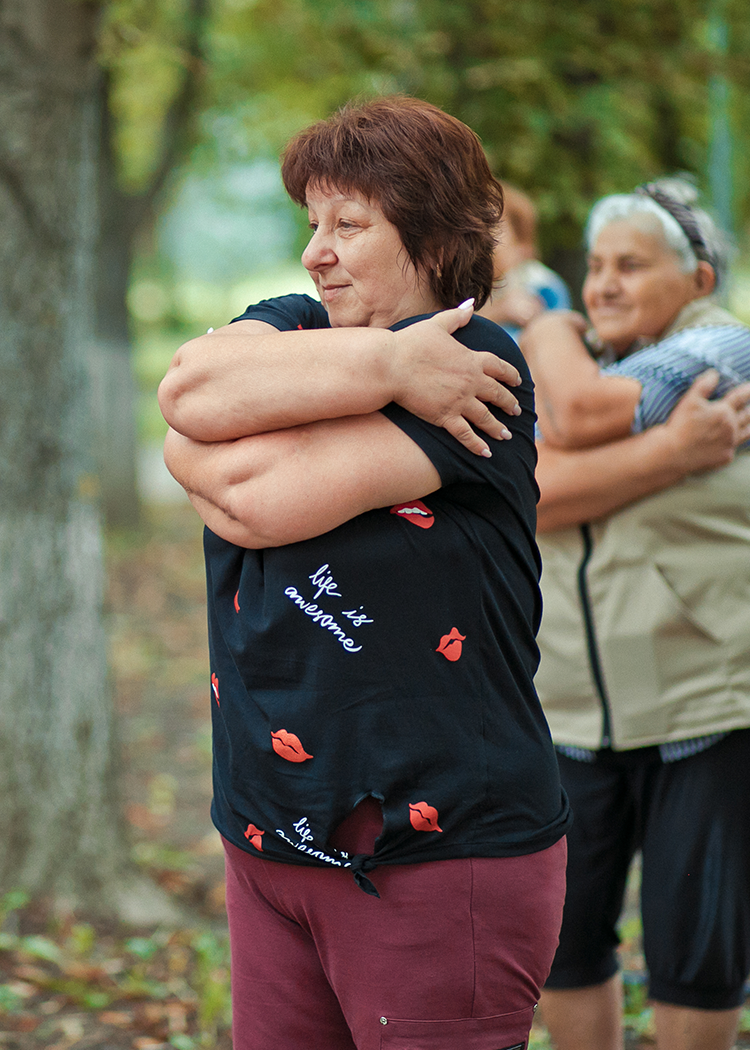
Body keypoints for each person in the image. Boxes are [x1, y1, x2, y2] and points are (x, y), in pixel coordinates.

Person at [158, 96, 571, 1050]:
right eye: (312, 223)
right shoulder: (300, 325)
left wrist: (216, 448)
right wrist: (387, 366)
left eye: (350, 225)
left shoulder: (478, 365)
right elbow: (186, 393)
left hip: (436, 854)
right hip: (267, 836)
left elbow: (253, 497)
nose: (316, 252)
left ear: (428, 237)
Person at [519, 177, 750, 1050]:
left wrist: (544, 322)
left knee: (696, 945)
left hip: (707, 700)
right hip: (570, 706)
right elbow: (530, 496)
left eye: (632, 266)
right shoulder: (578, 361)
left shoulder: (727, 347)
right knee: (565, 943)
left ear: (697, 279)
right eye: (595, 267)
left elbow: (575, 420)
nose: (604, 284)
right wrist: (672, 450)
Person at [479, 183, 571, 341]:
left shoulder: (540, 286)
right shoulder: (469, 288)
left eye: (492, 227)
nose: (482, 237)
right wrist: (498, 311)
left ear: (521, 243)